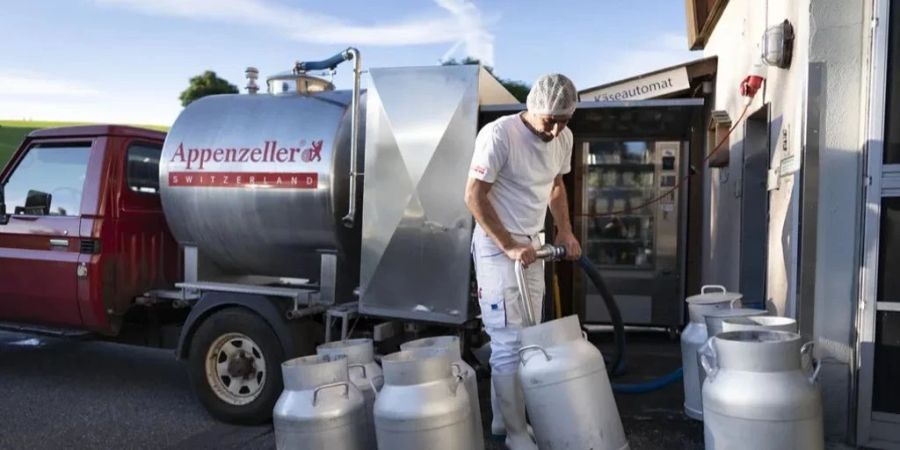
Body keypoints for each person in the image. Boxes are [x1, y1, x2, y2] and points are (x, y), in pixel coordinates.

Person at [464, 73, 582, 450]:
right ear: (532, 109)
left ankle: (503, 419)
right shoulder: (499, 135)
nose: (556, 129)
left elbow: (556, 186)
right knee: (507, 342)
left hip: (534, 247)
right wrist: (508, 245)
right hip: (498, 249)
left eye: (564, 119)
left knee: (528, 337)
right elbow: (474, 195)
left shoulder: (563, 138)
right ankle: (516, 433)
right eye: (551, 120)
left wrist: (564, 231)